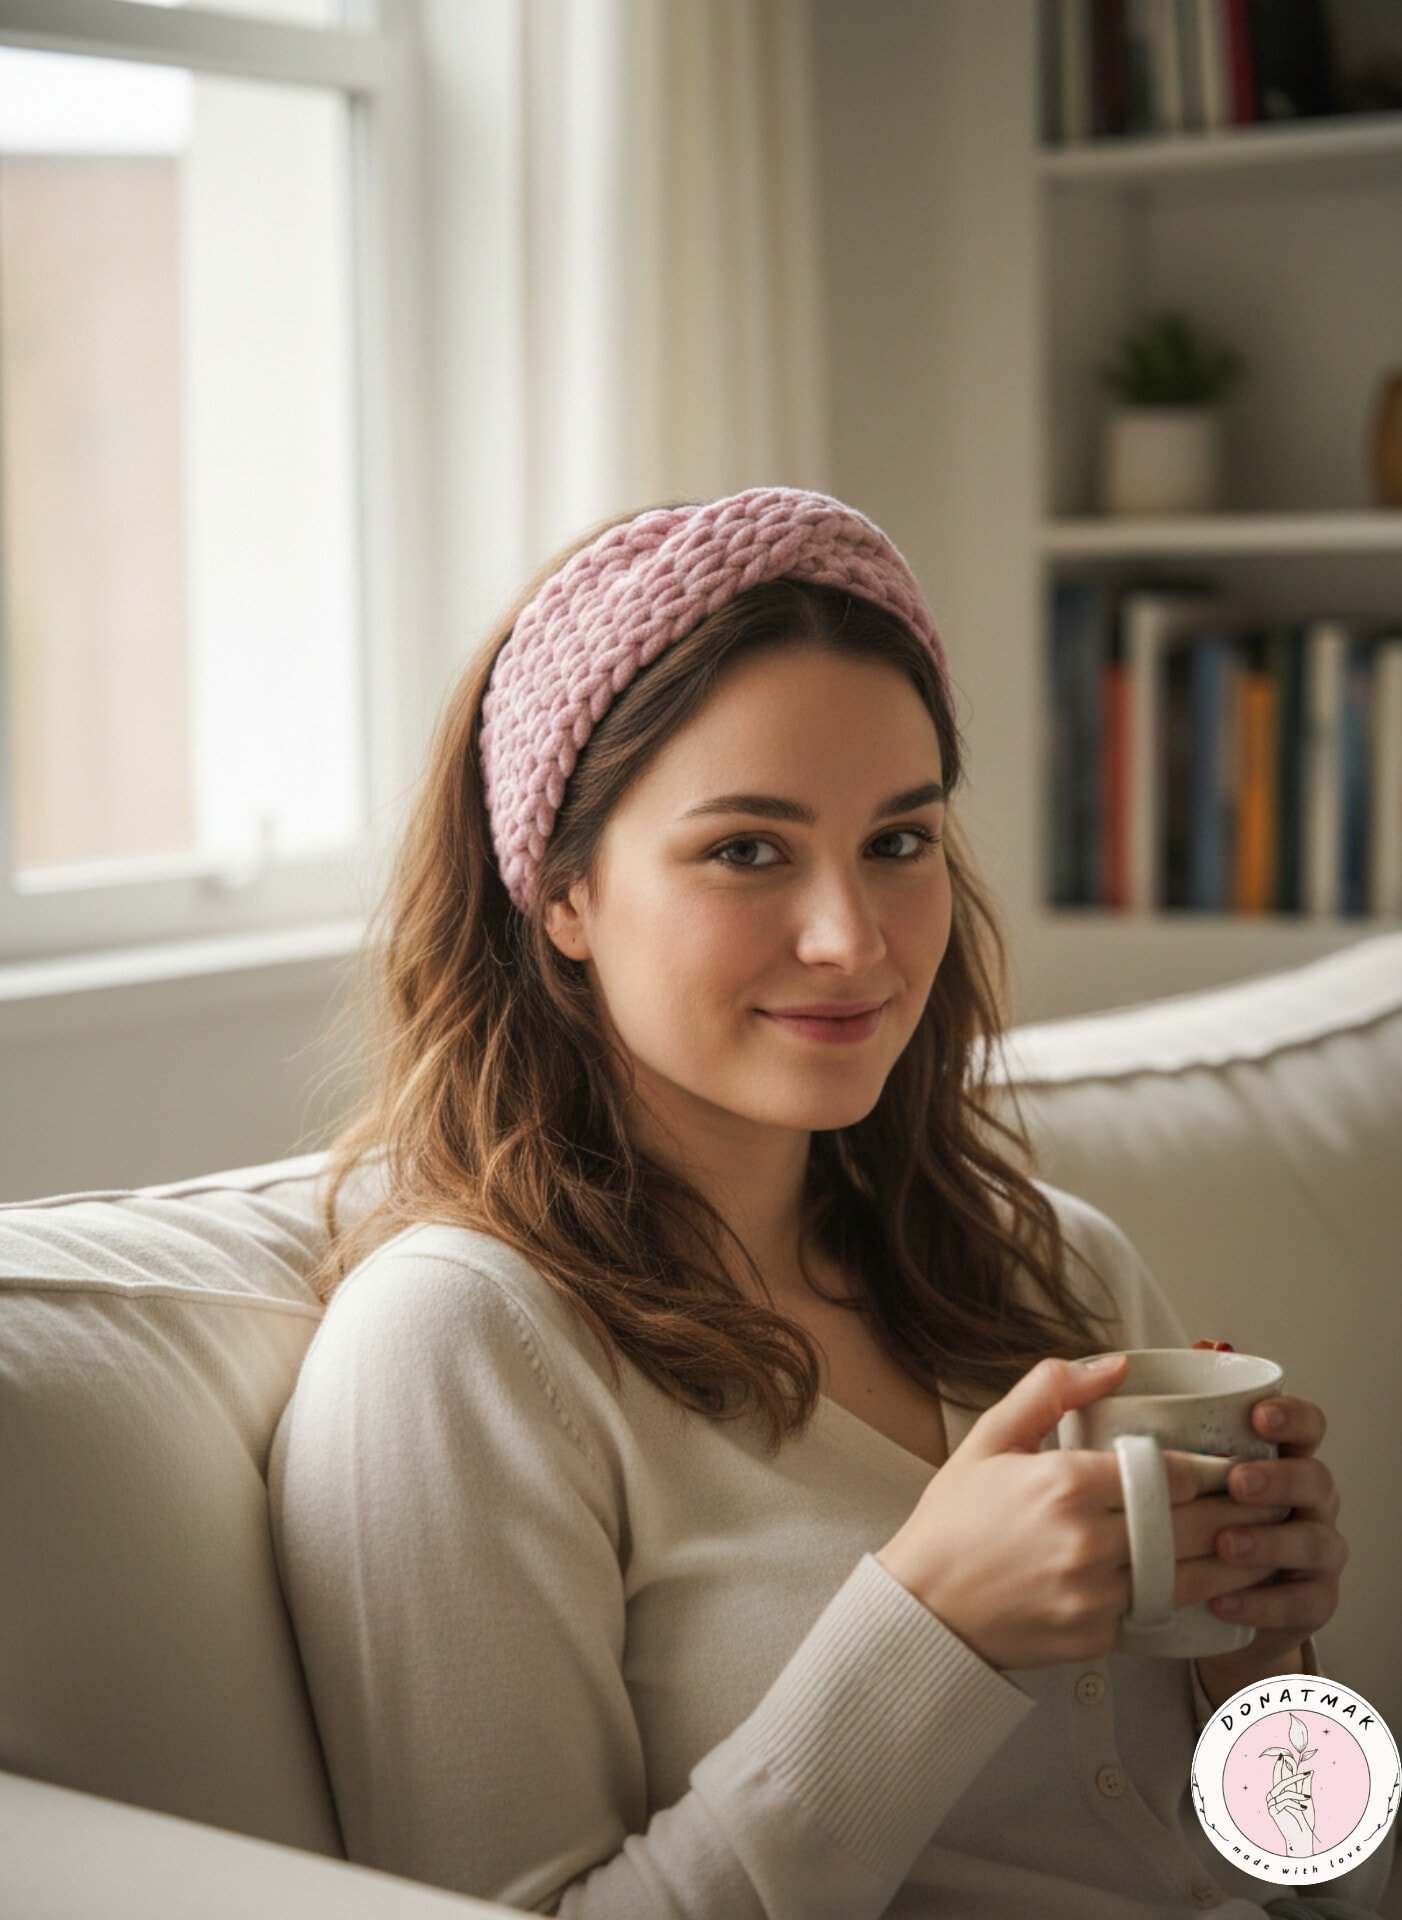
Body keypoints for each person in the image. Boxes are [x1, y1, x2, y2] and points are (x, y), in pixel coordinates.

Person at [267, 487, 1387, 1919]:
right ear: (558, 893)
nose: (851, 939)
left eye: (898, 842)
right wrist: (928, 1634)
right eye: (745, 849)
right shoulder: (454, 1354)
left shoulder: (1056, 1271)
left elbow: (1313, 1875)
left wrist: (1263, 1667)